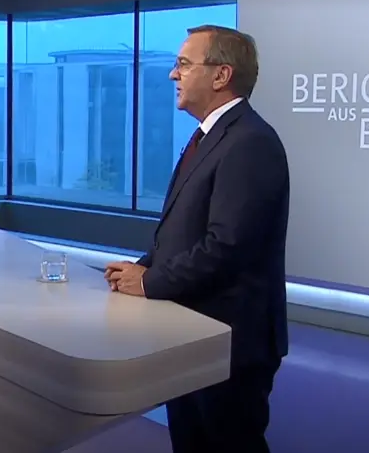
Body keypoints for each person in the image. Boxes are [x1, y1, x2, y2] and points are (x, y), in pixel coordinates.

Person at [105, 25, 289, 453]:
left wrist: (149, 283)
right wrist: (144, 266)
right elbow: (185, 230)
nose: (174, 74)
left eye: (184, 64)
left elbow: (227, 246)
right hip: (192, 336)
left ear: (221, 75)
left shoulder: (250, 142)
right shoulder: (211, 136)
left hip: (230, 340)